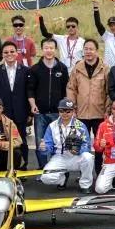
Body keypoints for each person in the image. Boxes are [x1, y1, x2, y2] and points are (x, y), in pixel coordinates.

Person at [66, 38, 110, 174]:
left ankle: (98, 172)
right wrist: (72, 108)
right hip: (81, 113)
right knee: (80, 145)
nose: (88, 52)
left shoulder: (105, 69)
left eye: (91, 49)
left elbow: (109, 92)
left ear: (97, 51)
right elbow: (71, 89)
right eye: (86, 49)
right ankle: (83, 174)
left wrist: (107, 110)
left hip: (99, 114)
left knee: (98, 146)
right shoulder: (77, 68)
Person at [28, 38, 70, 168]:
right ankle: (42, 169)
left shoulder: (62, 68)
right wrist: (33, 105)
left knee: (58, 142)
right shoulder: (35, 69)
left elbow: (66, 90)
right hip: (40, 113)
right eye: (46, 48)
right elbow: (30, 89)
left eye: (51, 48)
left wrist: (64, 109)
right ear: (42, 49)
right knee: (40, 142)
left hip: (57, 114)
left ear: (55, 49)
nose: (49, 50)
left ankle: (56, 168)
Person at [0, 41, 32, 169]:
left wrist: (30, 113)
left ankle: (22, 167)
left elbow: (29, 92)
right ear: (2, 54)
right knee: (1, 141)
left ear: (17, 53)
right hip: (3, 113)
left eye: (12, 51)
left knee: (21, 141)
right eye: (6, 52)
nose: (9, 54)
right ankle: (2, 166)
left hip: (21, 112)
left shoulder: (26, 70)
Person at [39, 98, 94, 193]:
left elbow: (87, 145)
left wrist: (78, 151)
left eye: (68, 111)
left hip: (76, 157)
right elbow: (48, 146)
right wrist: (44, 148)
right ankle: (62, 179)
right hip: (59, 157)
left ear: (73, 111)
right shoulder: (52, 126)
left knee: (88, 157)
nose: (64, 113)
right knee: (45, 178)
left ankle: (85, 184)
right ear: (58, 111)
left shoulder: (80, 126)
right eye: (61, 110)